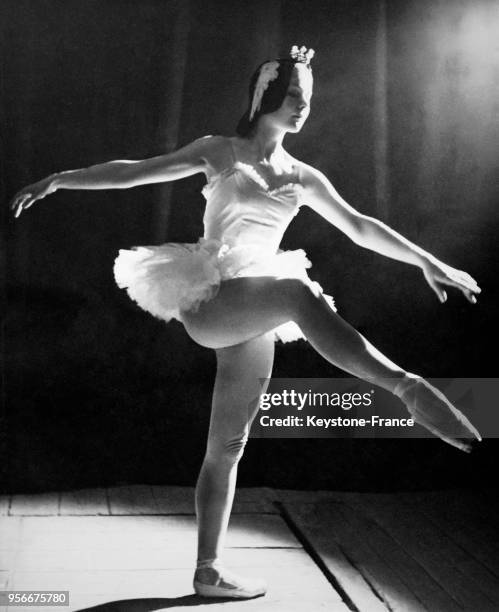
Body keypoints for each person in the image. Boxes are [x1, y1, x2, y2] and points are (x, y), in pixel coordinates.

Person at [10, 45, 482, 599]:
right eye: (292, 97)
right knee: (296, 291)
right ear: (264, 97)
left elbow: (360, 226)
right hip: (213, 299)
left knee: (227, 445)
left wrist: (430, 260)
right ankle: (405, 387)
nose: (302, 108)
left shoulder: (302, 177)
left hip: (256, 310)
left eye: (307, 99)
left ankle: (207, 570)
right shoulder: (221, 151)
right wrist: (61, 179)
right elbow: (136, 172)